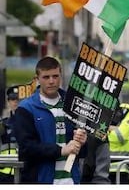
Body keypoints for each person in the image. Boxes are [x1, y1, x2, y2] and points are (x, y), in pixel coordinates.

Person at [13, 56, 87, 184]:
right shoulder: (26, 108)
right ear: (37, 79)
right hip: (41, 180)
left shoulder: (73, 104)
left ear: (61, 76)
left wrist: (83, 142)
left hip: (71, 180)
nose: (51, 81)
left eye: (55, 76)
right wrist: (61, 150)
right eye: (46, 77)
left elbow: (82, 152)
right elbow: (26, 148)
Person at [108, 103, 129, 184]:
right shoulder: (97, 108)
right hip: (97, 168)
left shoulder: (128, 110)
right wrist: (114, 129)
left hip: (120, 168)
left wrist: (105, 129)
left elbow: (121, 136)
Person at [0, 86, 19, 183]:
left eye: (18, 99)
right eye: (12, 99)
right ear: (8, 101)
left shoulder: (30, 123)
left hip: (23, 172)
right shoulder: (3, 124)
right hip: (4, 174)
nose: (15, 101)